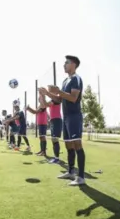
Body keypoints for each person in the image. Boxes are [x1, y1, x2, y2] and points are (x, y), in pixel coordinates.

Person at [40, 55, 85, 186]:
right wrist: (47, 93)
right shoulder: (65, 81)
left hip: (74, 116)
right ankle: (71, 171)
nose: (64, 65)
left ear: (74, 65)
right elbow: (59, 99)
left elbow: (73, 98)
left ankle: (81, 177)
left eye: (67, 62)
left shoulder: (76, 79)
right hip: (65, 118)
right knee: (68, 145)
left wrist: (58, 91)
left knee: (77, 144)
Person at [40, 93, 62, 163]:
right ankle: (56, 158)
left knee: (55, 139)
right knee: (54, 139)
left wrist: (43, 95)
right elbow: (44, 105)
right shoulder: (52, 100)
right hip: (53, 120)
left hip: (56, 120)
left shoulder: (55, 99)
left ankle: (57, 158)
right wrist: (42, 96)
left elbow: (45, 105)